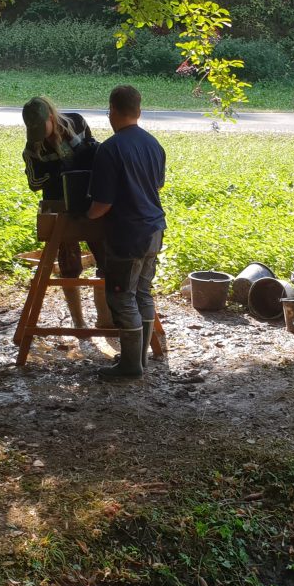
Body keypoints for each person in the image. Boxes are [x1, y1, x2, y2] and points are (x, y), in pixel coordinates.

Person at [87, 84, 166, 381]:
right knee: (143, 292)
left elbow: (102, 204)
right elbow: (156, 185)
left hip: (128, 234)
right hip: (154, 228)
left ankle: (131, 365)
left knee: (121, 296)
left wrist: (86, 215)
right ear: (139, 111)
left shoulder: (110, 149)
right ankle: (138, 356)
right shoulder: (154, 144)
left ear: (112, 111)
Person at [21, 96, 111, 330]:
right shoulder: (33, 147)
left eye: (43, 127)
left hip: (88, 202)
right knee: (69, 266)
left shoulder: (77, 123)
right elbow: (33, 182)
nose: (41, 134)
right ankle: (78, 323)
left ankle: (104, 318)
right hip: (58, 207)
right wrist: (56, 170)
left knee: (106, 259)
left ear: (51, 116)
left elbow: (97, 157)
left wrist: (84, 153)